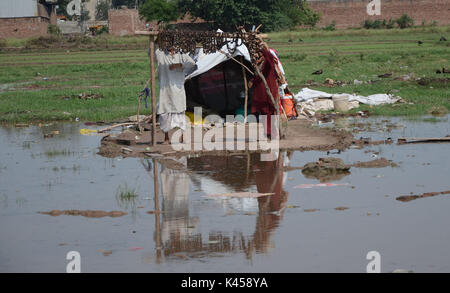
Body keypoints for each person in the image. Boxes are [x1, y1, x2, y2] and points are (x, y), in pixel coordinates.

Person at [155, 47, 196, 145]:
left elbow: (192, 64)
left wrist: (180, 65)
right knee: (164, 113)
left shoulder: (181, 54)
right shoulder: (160, 53)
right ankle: (166, 137)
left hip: (178, 89)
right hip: (164, 89)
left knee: (180, 112)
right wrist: (157, 40)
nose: (169, 45)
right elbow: (151, 52)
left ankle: (183, 136)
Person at [248, 46, 281, 139]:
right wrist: (252, 80)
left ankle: (272, 133)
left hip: (268, 90)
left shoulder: (268, 61)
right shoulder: (258, 63)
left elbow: (269, 56)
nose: (256, 55)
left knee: (270, 112)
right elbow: (258, 75)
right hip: (260, 92)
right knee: (263, 113)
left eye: (258, 53)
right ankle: (267, 132)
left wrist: (263, 48)